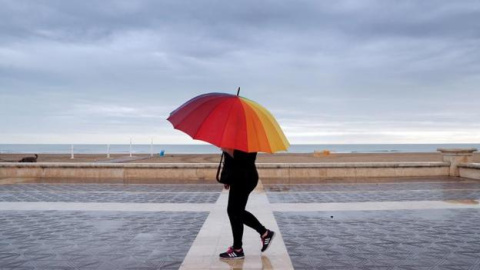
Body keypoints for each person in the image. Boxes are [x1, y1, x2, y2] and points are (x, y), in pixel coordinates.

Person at [219, 148, 275, 260]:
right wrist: (226, 178)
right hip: (241, 177)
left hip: (244, 178)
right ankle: (264, 233)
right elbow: (230, 160)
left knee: (234, 211)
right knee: (235, 211)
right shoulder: (240, 136)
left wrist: (229, 151)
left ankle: (237, 249)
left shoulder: (244, 137)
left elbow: (242, 160)